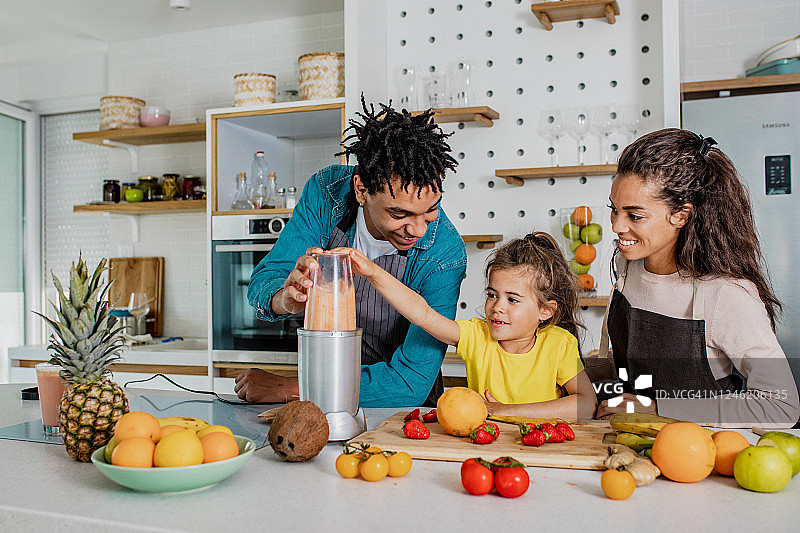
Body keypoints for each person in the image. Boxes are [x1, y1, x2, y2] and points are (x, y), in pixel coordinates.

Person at [235, 98, 466, 407]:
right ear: (361, 190)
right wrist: (285, 300)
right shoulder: (326, 193)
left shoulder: (444, 254)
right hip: (321, 393)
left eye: (430, 211)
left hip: (397, 408)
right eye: (400, 215)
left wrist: (294, 388)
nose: (419, 230)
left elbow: (409, 382)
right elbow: (266, 280)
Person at [594, 128, 800, 428]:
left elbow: (781, 405)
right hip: (631, 441)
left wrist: (655, 408)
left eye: (634, 215)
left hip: (702, 457)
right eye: (614, 210)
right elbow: (636, 366)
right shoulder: (631, 268)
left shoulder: (726, 294)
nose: (616, 226)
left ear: (681, 214)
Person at [346, 232, 598, 420]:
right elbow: (422, 314)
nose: (497, 306)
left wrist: (507, 412)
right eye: (492, 294)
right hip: (484, 447)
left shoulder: (559, 343)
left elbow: (586, 404)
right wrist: (372, 273)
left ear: (545, 310)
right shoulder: (477, 336)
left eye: (512, 299)